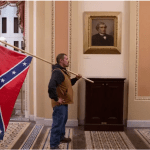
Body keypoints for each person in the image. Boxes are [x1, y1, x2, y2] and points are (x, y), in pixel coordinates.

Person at [48, 53, 82, 149]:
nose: (68, 60)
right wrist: (56, 98)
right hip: (59, 103)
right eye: (66, 59)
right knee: (58, 123)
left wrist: (76, 79)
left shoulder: (63, 71)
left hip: (64, 101)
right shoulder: (57, 72)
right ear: (61, 60)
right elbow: (51, 86)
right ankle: (54, 145)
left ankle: (61, 137)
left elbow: (67, 84)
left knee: (62, 121)